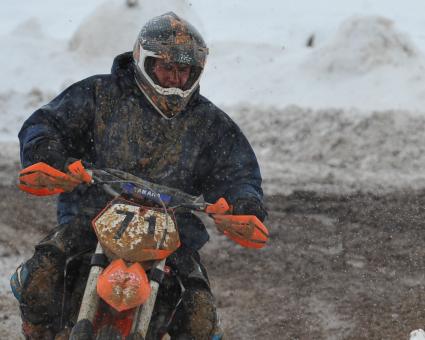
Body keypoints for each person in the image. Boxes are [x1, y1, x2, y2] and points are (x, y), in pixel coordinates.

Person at [11, 12, 267, 339]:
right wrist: (48, 155)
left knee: (200, 316)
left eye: (183, 70)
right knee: (41, 278)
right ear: (143, 62)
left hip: (174, 234)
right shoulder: (98, 94)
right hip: (92, 216)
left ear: (196, 72)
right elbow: (46, 125)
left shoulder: (210, 124)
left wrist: (243, 203)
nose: (174, 79)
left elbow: (237, 170)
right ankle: (37, 332)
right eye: (166, 68)